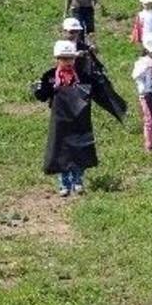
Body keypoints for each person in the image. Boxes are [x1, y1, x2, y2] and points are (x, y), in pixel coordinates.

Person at [32, 40, 99, 196]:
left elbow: (92, 90)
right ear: (57, 59)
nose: (68, 62)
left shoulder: (82, 75)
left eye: (71, 58)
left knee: (79, 147)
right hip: (60, 119)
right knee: (60, 150)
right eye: (64, 58)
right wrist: (38, 89)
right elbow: (42, 96)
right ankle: (64, 183)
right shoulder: (50, 76)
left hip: (79, 118)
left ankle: (78, 180)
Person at [62, 17, 127, 123]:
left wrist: (93, 51)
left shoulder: (81, 45)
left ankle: (121, 111)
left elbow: (92, 55)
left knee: (105, 95)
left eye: (77, 32)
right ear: (64, 32)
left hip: (84, 78)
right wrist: (75, 55)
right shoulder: (62, 46)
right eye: (71, 32)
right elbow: (61, 58)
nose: (75, 35)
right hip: (70, 82)